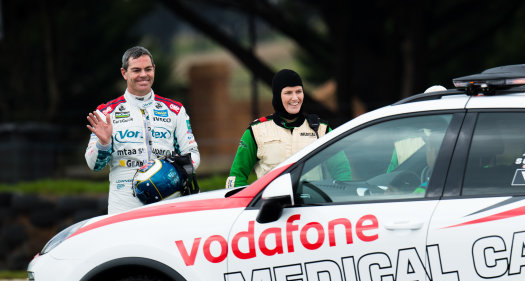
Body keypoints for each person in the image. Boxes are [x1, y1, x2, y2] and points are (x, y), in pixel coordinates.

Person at [85, 46, 200, 214]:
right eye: (136, 70)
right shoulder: (106, 113)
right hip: (123, 207)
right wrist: (104, 144)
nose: (143, 75)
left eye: (147, 69)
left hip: (167, 202)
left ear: (154, 70)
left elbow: (192, 154)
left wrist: (172, 172)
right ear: (124, 73)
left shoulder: (175, 110)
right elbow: (94, 165)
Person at [226, 69, 351, 188]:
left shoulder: (321, 129)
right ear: (277, 96)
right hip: (271, 207)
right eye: (288, 93)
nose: (295, 98)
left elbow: (342, 170)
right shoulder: (256, 131)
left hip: (311, 206)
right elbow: (237, 176)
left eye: (298, 91)